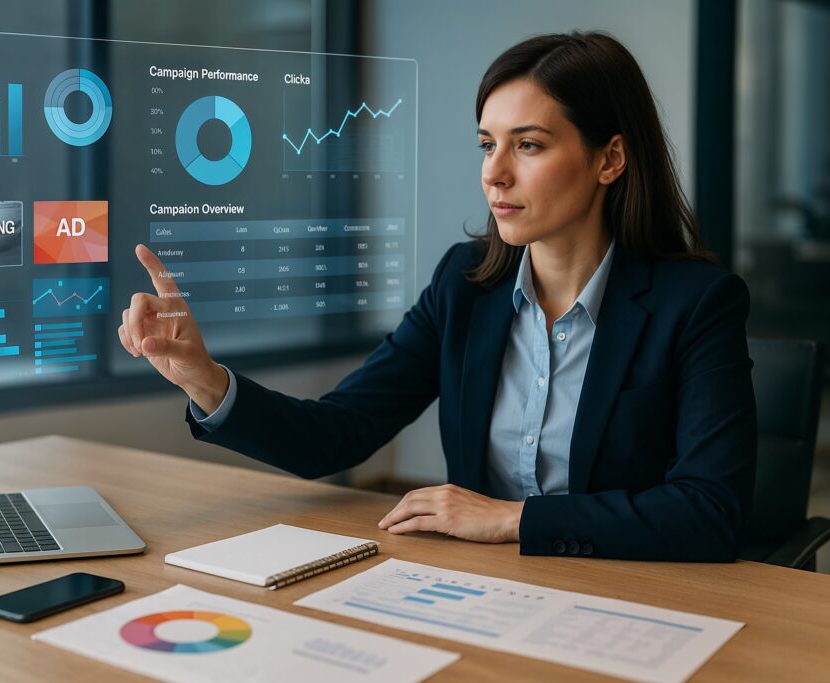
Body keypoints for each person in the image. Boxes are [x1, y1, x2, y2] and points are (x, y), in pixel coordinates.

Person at [117, 31, 757, 562]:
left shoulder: (697, 303)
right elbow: (338, 434)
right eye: (487, 144)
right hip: (481, 588)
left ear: (609, 159)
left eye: (528, 145)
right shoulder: (465, 284)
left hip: (632, 596)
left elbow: (709, 510)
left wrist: (513, 518)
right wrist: (204, 380)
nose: (494, 172)